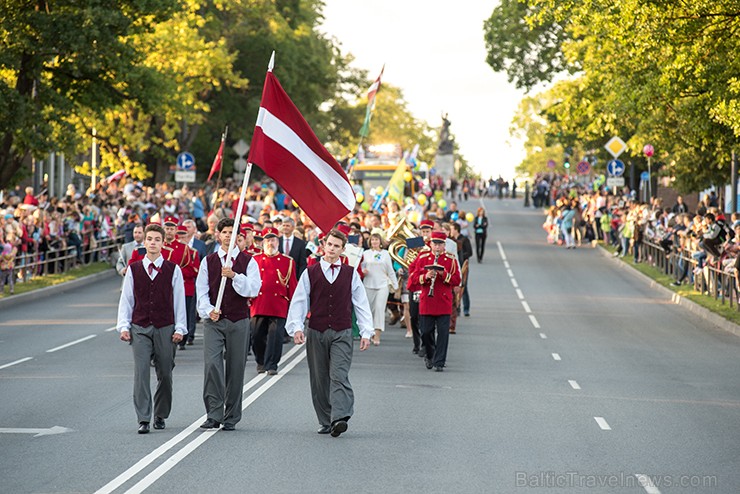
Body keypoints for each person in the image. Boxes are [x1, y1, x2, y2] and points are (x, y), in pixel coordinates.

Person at [285, 228, 373, 437]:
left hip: (342, 331)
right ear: (323, 245)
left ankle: (340, 417)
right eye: (329, 244)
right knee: (319, 377)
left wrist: (366, 332)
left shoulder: (350, 274)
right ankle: (325, 419)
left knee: (339, 374)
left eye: (336, 246)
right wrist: (296, 327)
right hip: (317, 330)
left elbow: (361, 304)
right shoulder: (310, 272)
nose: (332, 249)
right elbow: (299, 301)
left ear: (343, 251)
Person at [116, 223, 187, 434]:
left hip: (165, 326)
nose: (153, 243)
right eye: (150, 239)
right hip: (140, 326)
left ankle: (161, 413)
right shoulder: (134, 269)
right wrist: (123, 326)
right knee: (141, 372)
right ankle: (144, 417)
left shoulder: (173, 270)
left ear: (163, 244)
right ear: (144, 242)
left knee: (165, 372)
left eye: (157, 239)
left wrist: (180, 328)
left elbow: (179, 301)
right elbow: (126, 299)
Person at [196, 218, 262, 431]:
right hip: (214, 321)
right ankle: (213, 413)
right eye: (224, 232)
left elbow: (253, 289)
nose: (227, 236)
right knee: (212, 365)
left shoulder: (248, 262)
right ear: (218, 235)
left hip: (239, 320)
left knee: (235, 368)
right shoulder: (209, 261)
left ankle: (231, 416)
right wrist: (208, 310)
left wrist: (234, 276)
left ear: (239, 237)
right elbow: (202, 292)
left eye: (232, 233)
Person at [408, 231, 461, 372]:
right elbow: (414, 277)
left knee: (443, 333)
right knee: (425, 331)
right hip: (427, 299)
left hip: (443, 300)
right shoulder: (423, 257)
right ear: (430, 244)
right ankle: (430, 354)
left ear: (444, 245)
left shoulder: (451, 259)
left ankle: (439, 361)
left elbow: (457, 280)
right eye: (435, 244)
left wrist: (444, 274)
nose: (437, 247)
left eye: (440, 244)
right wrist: (426, 276)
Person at [250, 227, 297, 375]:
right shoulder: (254, 260)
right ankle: (261, 360)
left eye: (273, 240)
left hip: (278, 304)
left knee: (275, 337)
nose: (271, 243)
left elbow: (292, 284)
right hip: (259, 303)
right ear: (263, 242)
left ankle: (272, 365)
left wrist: (295, 305)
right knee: (257, 335)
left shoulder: (287, 261)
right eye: (268, 240)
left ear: (278, 241)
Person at [361, 232, 398, 346]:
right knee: (370, 310)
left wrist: (395, 286)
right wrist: (363, 272)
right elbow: (361, 267)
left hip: (382, 285)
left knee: (379, 309)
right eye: (372, 240)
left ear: (380, 241)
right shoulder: (365, 253)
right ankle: (370, 332)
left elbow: (390, 270)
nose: (374, 242)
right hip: (368, 284)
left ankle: (377, 334)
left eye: (376, 240)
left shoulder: (385, 254)